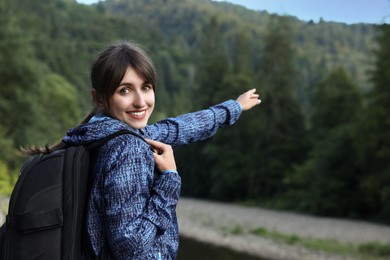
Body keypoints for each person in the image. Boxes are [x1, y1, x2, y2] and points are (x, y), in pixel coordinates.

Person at [43, 41, 260, 259]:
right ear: (99, 98)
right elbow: (131, 248)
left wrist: (235, 106)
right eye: (125, 90)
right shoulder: (128, 147)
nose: (140, 102)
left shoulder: (97, 134)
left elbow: (179, 128)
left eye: (145, 87)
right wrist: (169, 179)